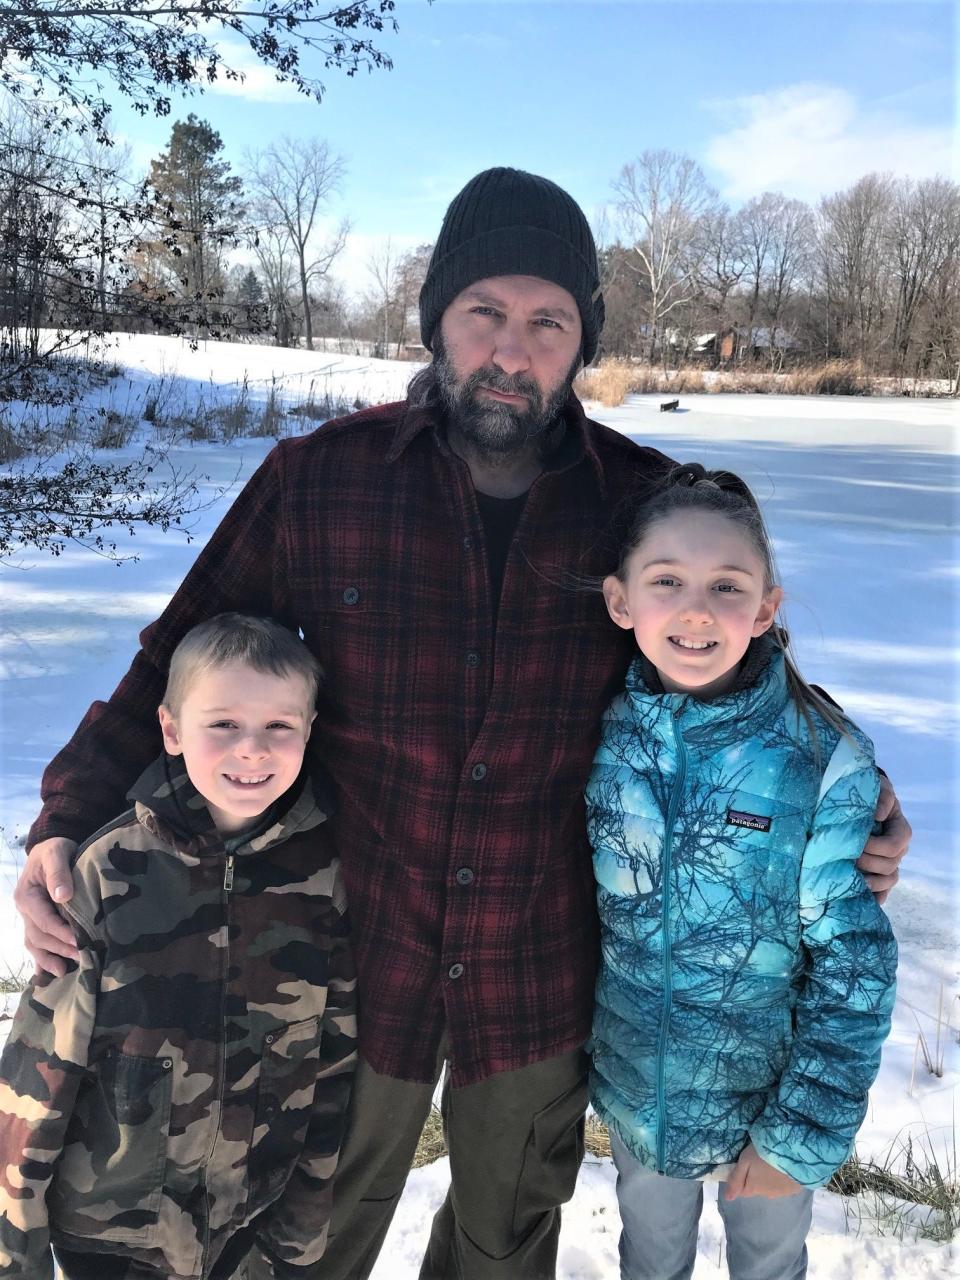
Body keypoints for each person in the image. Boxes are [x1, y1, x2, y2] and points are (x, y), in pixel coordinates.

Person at [13, 168, 909, 1280]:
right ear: (436, 316)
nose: (511, 349)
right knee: (306, 1243)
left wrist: (852, 791)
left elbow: (735, 658)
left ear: (583, 341)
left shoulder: (640, 499)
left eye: (549, 322)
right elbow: (176, 658)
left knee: (503, 1251)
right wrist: (69, 814)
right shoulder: (320, 484)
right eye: (485, 312)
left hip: (540, 977)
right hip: (349, 964)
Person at [586, 466, 898, 1280]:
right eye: (667, 582)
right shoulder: (606, 737)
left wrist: (798, 1139)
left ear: (765, 608)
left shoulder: (821, 760)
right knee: (649, 1260)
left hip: (769, 1110)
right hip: (639, 1101)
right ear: (622, 602)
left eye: (727, 585)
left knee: (767, 1263)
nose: (695, 610)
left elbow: (855, 966)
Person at [0, 615, 357, 1280]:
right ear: (170, 728)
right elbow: (36, 1082)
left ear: (309, 730)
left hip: (245, 1222)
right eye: (222, 724)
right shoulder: (106, 875)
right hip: (110, 1234)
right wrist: (14, 1253)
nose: (251, 749)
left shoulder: (323, 879)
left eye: (279, 726)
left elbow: (329, 1066)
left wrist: (301, 1233)